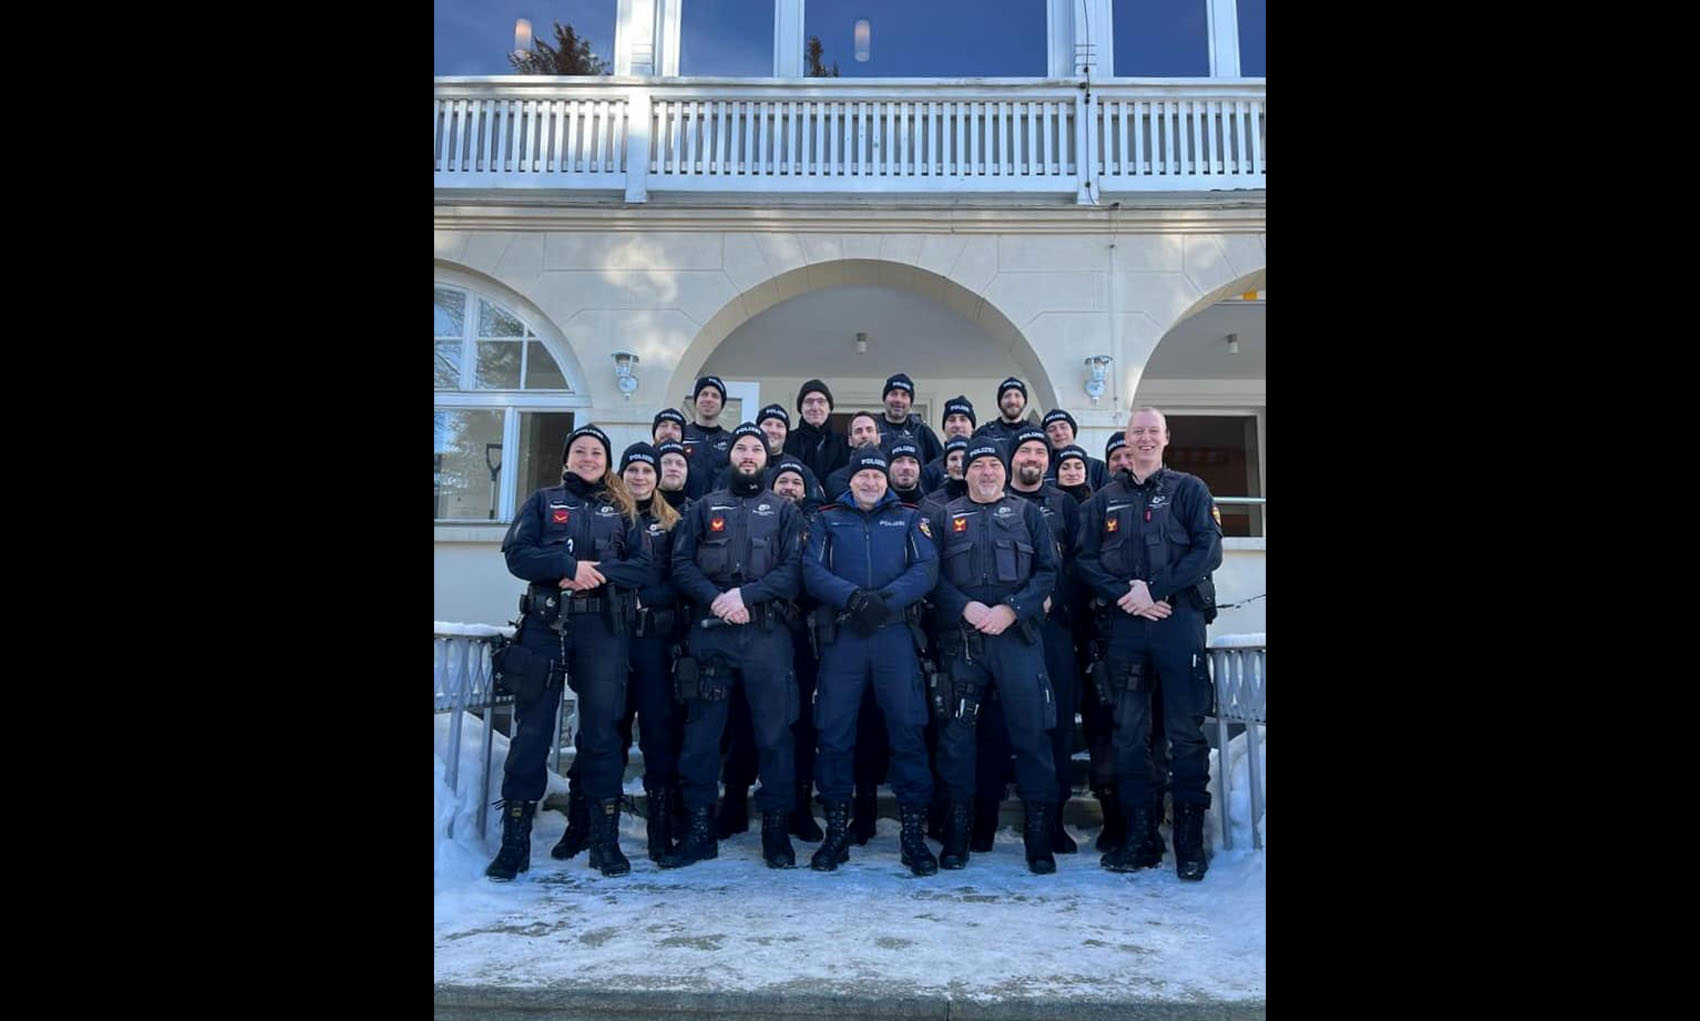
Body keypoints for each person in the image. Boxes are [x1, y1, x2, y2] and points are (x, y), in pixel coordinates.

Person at [486, 425, 651, 881]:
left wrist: (595, 574)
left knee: (602, 735)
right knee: (532, 735)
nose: (588, 458)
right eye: (580, 451)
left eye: (596, 452)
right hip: (546, 627)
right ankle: (514, 844)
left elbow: (642, 566)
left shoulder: (624, 511)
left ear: (607, 461)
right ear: (567, 459)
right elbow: (517, 554)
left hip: (603, 631)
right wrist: (565, 566)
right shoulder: (543, 502)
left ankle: (605, 841)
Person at [1074, 407, 1223, 881]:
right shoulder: (1104, 500)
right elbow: (1085, 560)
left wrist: (1154, 590)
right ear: (1127, 439)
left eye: (1152, 432)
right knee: (1129, 734)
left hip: (1178, 620)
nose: (1144, 439)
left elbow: (1209, 550)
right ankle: (1142, 838)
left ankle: (1188, 843)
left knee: (1185, 732)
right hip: (1125, 626)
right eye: (1137, 432)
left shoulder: (1189, 490)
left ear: (1166, 438)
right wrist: (1126, 595)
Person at [663, 423, 809, 870]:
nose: (748, 455)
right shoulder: (705, 508)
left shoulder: (784, 511)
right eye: (741, 448)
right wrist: (718, 600)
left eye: (756, 449)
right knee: (702, 737)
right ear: (729, 456)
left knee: (774, 735)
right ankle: (700, 832)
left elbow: (794, 570)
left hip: (767, 634)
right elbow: (682, 564)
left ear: (767, 459)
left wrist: (746, 597)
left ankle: (775, 833)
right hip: (711, 633)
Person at [924, 441, 1061, 874]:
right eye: (977, 465)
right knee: (957, 740)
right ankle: (958, 835)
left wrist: (1012, 609)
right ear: (965, 473)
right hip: (963, 643)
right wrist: (965, 607)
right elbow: (931, 575)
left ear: (1005, 473)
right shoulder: (944, 517)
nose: (986, 472)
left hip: (1017, 640)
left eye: (993, 465)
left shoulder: (1028, 515)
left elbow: (1048, 571)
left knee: (1032, 736)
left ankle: (1038, 840)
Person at [803, 446, 941, 875]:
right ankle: (837, 836)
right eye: (863, 475)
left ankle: (913, 837)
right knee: (835, 731)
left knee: (907, 729)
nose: (870, 482)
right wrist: (852, 598)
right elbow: (811, 570)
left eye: (877, 477)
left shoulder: (909, 517)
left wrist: (886, 600)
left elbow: (926, 568)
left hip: (894, 635)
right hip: (844, 635)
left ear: (886, 481)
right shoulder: (827, 519)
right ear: (851, 479)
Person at [1006, 426, 1085, 856]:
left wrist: (1057, 597)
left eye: (1040, 450)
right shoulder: (996, 501)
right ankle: (986, 815)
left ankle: (1052, 820)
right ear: (1012, 459)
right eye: (1025, 451)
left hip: (1053, 626)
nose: (1032, 456)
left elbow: (1081, 560)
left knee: (1055, 724)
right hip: (1007, 628)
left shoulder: (1064, 505)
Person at [607, 442, 687, 862]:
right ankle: (590, 825)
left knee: (658, 732)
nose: (639, 477)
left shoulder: (671, 522)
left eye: (647, 470)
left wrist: (644, 598)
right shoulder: (605, 515)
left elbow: (682, 576)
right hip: (608, 639)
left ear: (657, 478)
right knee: (605, 732)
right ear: (621, 474)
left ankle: (660, 827)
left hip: (653, 641)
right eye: (632, 469)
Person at [768, 457, 827, 841]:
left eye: (796, 482)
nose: (789, 487)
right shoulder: (758, 517)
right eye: (783, 481)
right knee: (762, 723)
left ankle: (801, 806)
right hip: (764, 630)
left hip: (807, 633)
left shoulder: (820, 523)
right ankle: (756, 801)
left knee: (803, 723)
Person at [784, 378, 850, 483]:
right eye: (809, 402)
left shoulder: (845, 444)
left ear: (829, 408)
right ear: (800, 408)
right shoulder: (787, 441)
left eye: (821, 402)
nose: (815, 407)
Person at [874, 372, 945, 465]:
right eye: (893, 394)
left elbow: (941, 464)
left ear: (910, 402)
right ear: (884, 399)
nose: (898, 400)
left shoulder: (921, 430)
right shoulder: (872, 428)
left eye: (904, 395)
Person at [683, 376, 732, 499]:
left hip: (719, 511)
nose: (709, 399)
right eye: (704, 394)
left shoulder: (731, 440)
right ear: (695, 400)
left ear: (722, 404)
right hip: (684, 510)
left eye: (715, 396)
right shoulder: (681, 436)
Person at [821, 411, 885, 499]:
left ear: (879, 438)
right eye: (858, 431)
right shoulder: (836, 479)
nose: (864, 435)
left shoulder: (892, 474)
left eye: (869, 430)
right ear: (850, 440)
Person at [1041, 409, 1109, 490]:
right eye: (1051, 429)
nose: (1059, 433)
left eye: (1063, 427)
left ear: (1073, 431)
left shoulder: (1097, 467)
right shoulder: (1042, 467)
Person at [922, 396, 976, 492]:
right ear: (943, 428)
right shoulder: (931, 470)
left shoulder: (982, 464)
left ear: (973, 428)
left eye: (963, 419)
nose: (957, 425)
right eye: (951, 419)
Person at [979, 377, 1036, 457]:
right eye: (1007, 396)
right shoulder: (985, 433)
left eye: (1017, 395)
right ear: (1000, 402)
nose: (1012, 401)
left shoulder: (1036, 432)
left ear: (1024, 401)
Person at [655, 440, 692, 511]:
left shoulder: (698, 513)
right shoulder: (637, 512)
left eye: (680, 464)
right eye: (666, 463)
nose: (673, 468)